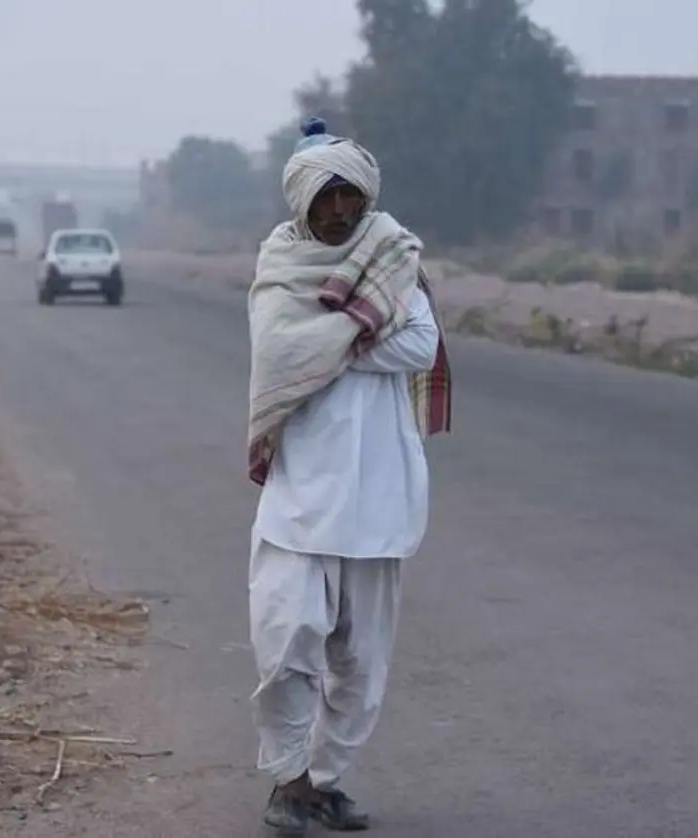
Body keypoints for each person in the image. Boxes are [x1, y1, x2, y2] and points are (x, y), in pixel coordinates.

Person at [245, 117, 452, 834]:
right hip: (301, 497)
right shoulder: (280, 264)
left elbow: (422, 342)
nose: (339, 212)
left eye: (349, 197)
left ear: (366, 196)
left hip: (379, 496)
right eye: (326, 198)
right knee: (287, 644)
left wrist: (327, 346)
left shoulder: (391, 253)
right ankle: (287, 780)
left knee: (360, 665)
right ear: (302, 202)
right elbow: (277, 353)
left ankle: (323, 784)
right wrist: (364, 335)